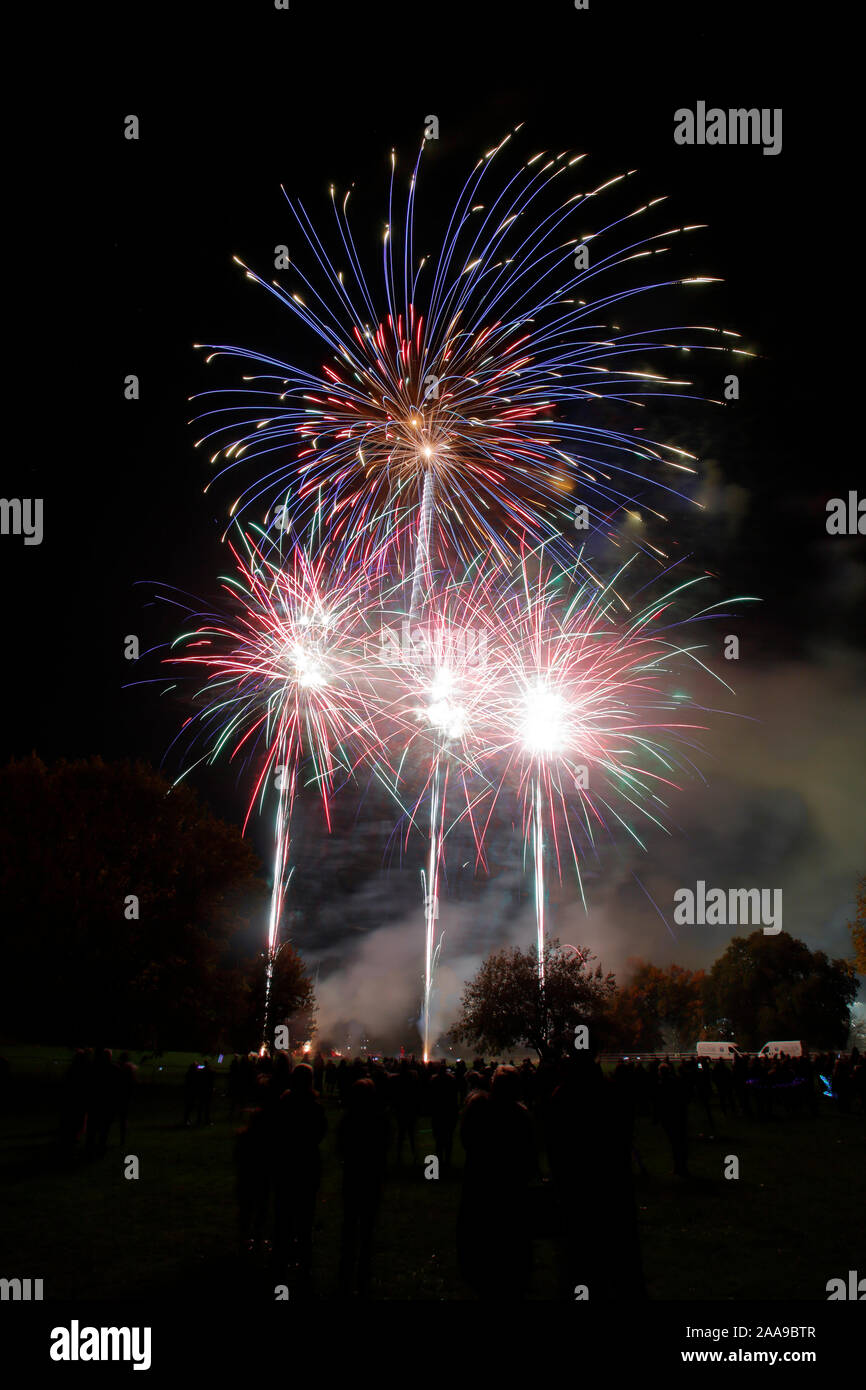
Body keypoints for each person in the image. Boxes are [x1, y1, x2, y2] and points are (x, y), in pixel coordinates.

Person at [457, 1065, 536, 1299]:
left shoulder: (478, 1110)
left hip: (481, 1190)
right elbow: (530, 1155)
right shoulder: (521, 1116)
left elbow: (467, 1141)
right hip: (511, 1194)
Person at [272, 1063, 327, 1287]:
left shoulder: (284, 1104)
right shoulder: (315, 1108)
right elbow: (319, 1134)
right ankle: (304, 1265)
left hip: (286, 1166)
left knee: (283, 1216)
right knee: (305, 1217)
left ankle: (280, 1263)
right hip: (307, 1167)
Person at [338, 1078, 389, 1298]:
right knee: (367, 1225)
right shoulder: (380, 1121)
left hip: (352, 1177)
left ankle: (346, 1269)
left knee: (350, 1223)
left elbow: (339, 1146)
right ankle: (363, 1270)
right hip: (371, 1178)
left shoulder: (348, 1120)